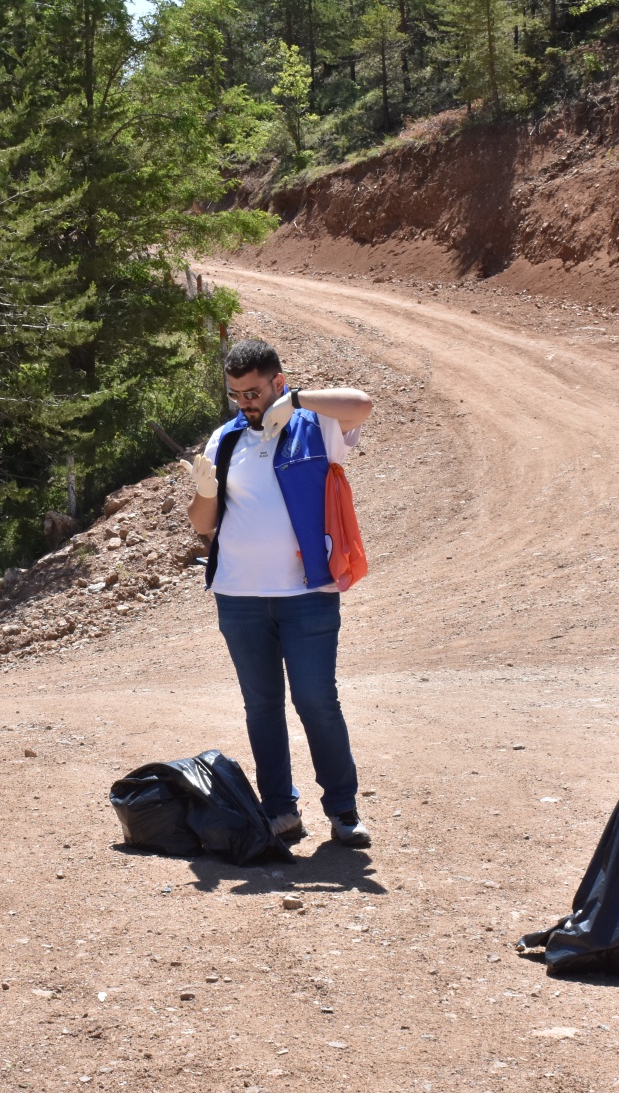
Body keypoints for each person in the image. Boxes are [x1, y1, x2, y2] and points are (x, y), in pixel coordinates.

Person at [180, 338, 375, 848]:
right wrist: (204, 490)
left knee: (315, 699)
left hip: (307, 594)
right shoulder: (224, 440)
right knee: (261, 704)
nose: (245, 402)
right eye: (236, 394)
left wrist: (301, 400)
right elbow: (205, 525)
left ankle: (342, 808)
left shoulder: (316, 427)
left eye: (253, 391)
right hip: (238, 597)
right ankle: (280, 810)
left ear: (278, 383)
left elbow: (363, 404)